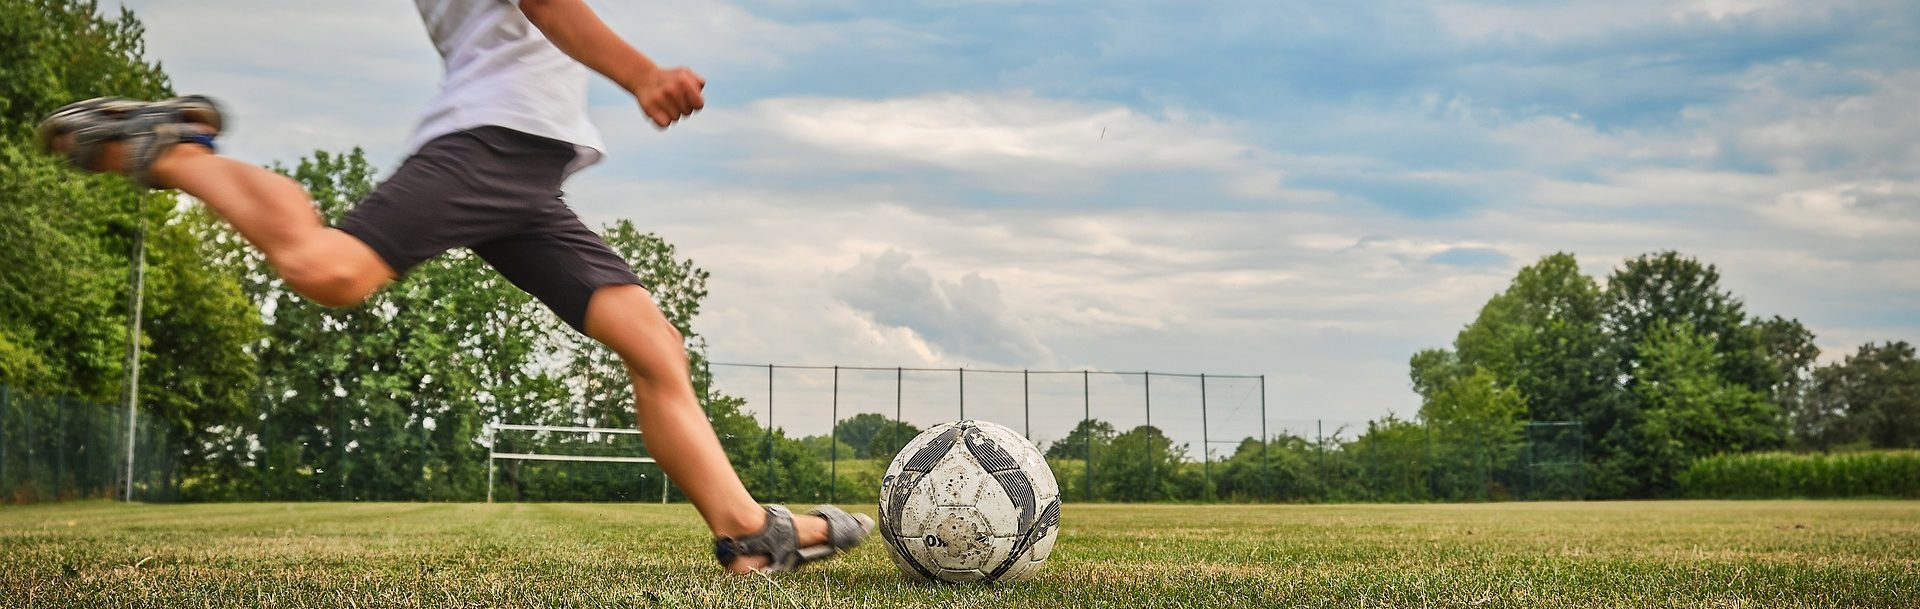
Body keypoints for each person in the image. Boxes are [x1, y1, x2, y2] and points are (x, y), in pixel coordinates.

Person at [35, 0, 869, 574]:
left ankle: (747, 531)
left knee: (654, 344)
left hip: (524, 164)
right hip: (492, 140)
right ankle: (172, 148)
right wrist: (641, 73)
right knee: (333, 268)